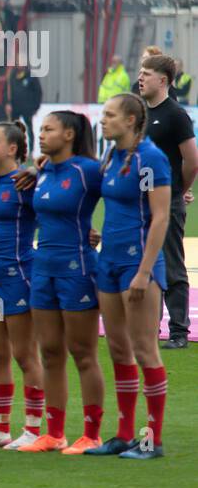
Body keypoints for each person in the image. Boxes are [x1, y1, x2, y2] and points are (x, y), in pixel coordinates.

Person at [86, 93, 172, 460]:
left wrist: (145, 271)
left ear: (132, 120)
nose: (103, 120)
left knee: (144, 349)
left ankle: (152, 439)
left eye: (110, 115)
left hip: (139, 266)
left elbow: (161, 217)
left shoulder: (151, 158)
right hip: (110, 262)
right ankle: (123, 434)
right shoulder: (112, 156)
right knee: (118, 348)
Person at [26, 111, 106, 454]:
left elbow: (121, 201)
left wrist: (103, 235)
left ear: (70, 134)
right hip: (42, 269)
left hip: (77, 270)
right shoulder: (43, 170)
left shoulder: (87, 170)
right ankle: (54, 433)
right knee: (50, 353)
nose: (41, 135)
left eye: (48, 129)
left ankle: (92, 433)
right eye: (40, 129)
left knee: (83, 353)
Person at [0, 122, 44, 449]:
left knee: (25, 354)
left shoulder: (26, 184)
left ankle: (32, 428)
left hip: (18, 278)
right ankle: (0, 428)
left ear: (12, 149)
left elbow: (55, 217)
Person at [136, 49, 197, 350]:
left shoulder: (174, 114)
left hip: (166, 201)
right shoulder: (141, 113)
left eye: (145, 75)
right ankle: (150, 327)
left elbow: (192, 160)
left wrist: (176, 190)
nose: (139, 79)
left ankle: (178, 331)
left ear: (163, 80)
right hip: (139, 201)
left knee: (172, 264)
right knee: (145, 263)